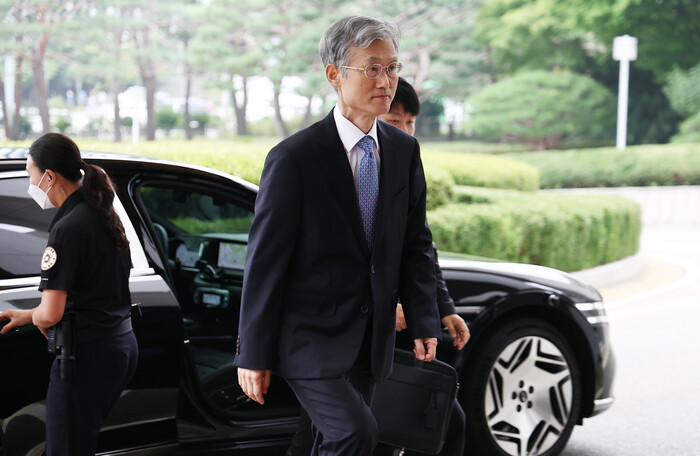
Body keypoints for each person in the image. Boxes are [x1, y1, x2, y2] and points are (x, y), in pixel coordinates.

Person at [234, 15, 442, 456]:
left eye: (392, 68)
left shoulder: (403, 150)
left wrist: (425, 317)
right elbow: (265, 262)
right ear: (334, 74)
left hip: (372, 339)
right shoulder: (294, 158)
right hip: (308, 339)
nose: (386, 80)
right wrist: (252, 352)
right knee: (355, 433)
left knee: (327, 440)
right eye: (372, 68)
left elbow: (415, 243)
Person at [286, 78, 471, 456]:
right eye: (394, 120)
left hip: (385, 339)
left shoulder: (401, 158)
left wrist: (440, 308)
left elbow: (418, 246)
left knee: (422, 426)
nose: (404, 129)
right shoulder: (321, 160)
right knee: (339, 433)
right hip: (337, 335)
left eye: (410, 121)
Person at [0, 133, 138, 455]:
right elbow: (93, 289)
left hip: (86, 356)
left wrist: (39, 318)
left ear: (49, 176)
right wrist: (29, 315)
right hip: (119, 347)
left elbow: (51, 314)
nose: (30, 185)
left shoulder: (67, 227)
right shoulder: (102, 212)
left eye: (30, 176)